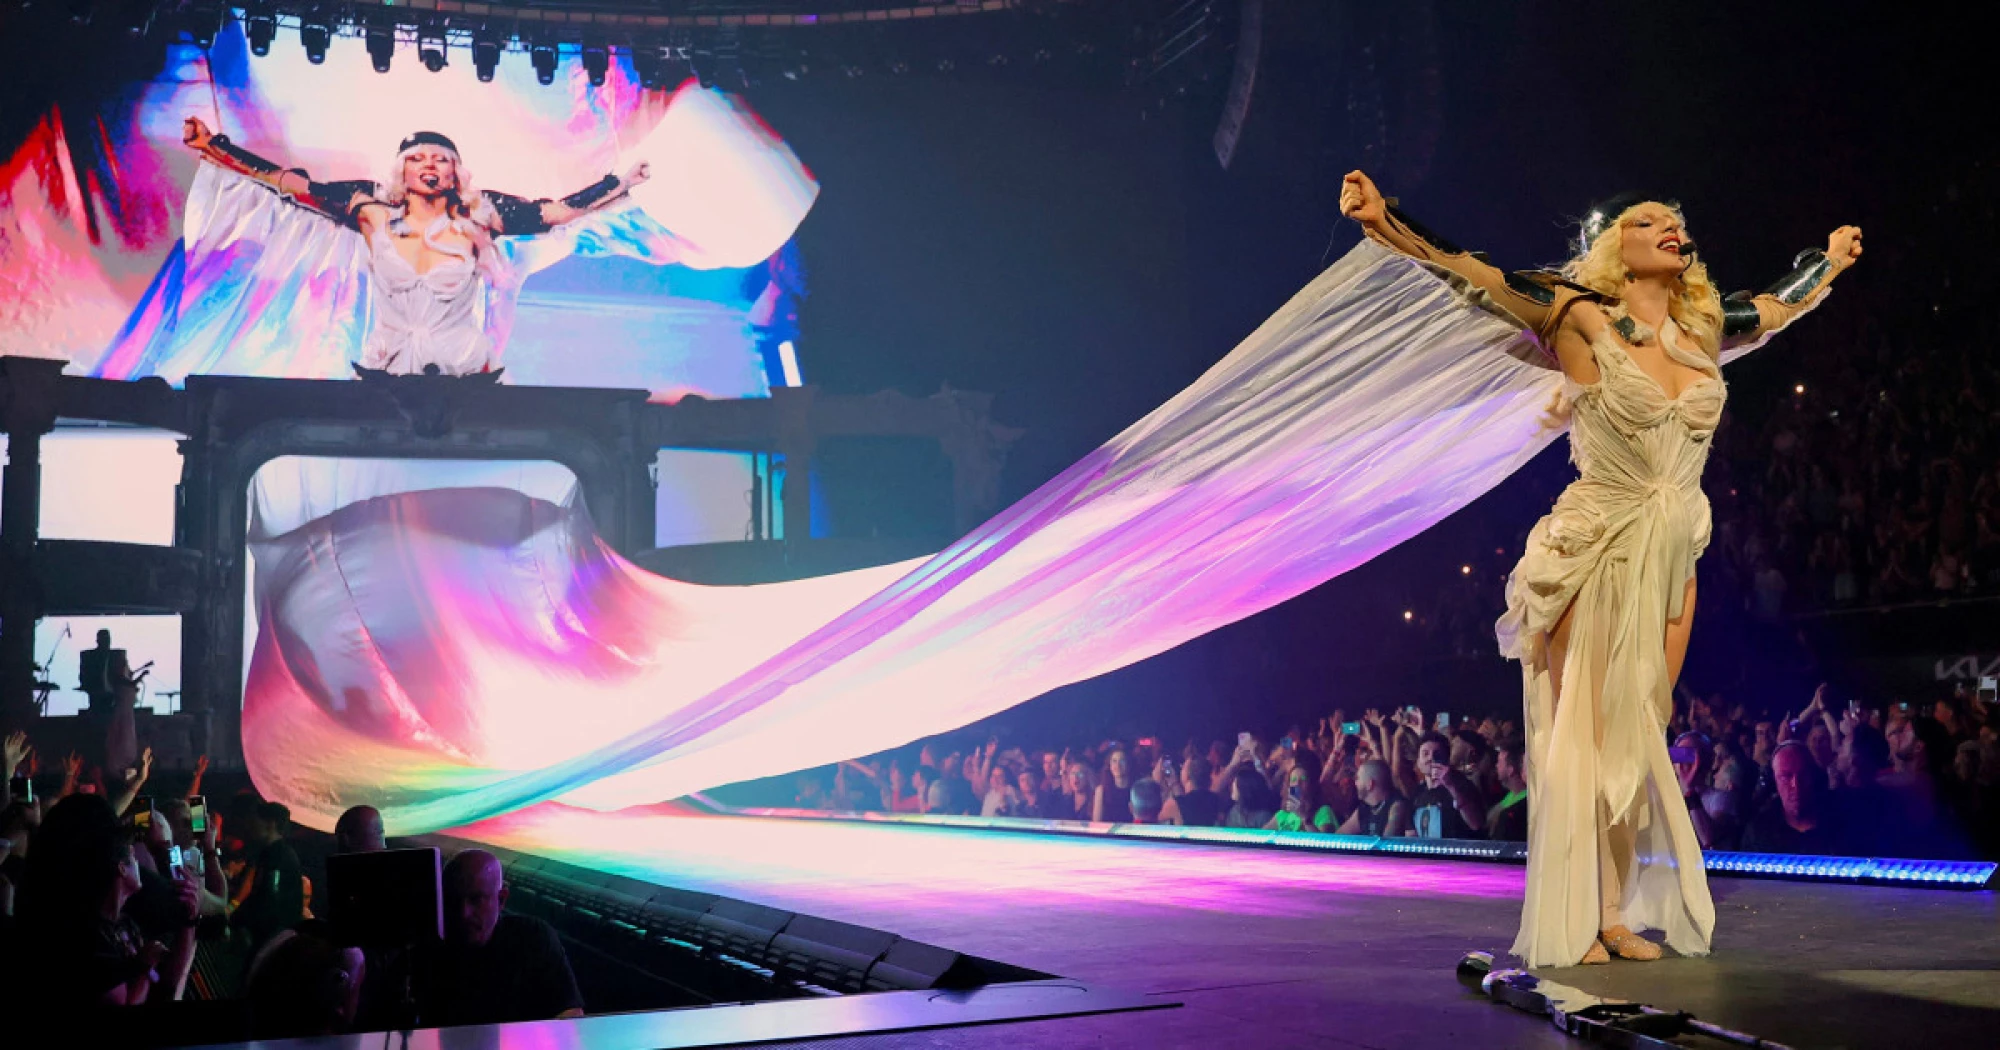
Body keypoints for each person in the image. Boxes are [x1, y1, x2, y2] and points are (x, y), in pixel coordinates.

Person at [1342, 170, 1860, 966]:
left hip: (1673, 553)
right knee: (1581, 740)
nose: (1668, 225)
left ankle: (1614, 915)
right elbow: (1479, 278)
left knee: (1637, 739)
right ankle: (1578, 916)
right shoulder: (1579, 316)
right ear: (1613, 244)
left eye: (1672, 218)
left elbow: (1778, 304)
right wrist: (1390, 223)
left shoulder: (1702, 328)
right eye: (1646, 220)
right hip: (1597, 544)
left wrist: (1826, 261)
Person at [180, 119, 650, 377]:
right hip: (387, 362)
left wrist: (619, 181)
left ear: (454, 172)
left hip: (463, 366)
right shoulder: (370, 211)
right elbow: (293, 186)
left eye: (441, 160)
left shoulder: (481, 215)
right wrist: (216, 147)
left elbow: (556, 212)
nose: (430, 166)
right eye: (419, 158)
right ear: (402, 171)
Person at [415, 849, 583, 1028]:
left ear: (501, 899)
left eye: (476, 900)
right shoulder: (425, 949)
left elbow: (570, 1013)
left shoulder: (534, 940)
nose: (464, 913)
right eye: (453, 900)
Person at [1741, 743, 1842, 854]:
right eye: (1785, 777)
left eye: (1803, 775)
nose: (1795, 785)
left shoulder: (1841, 824)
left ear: (1813, 776)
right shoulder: (1758, 832)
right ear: (1775, 782)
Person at [1409, 732, 1487, 839]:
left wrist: (1450, 785)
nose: (1431, 757)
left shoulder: (1462, 784)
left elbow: (1476, 824)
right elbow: (1412, 834)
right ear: (1418, 762)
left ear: (1446, 759)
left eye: (1437, 753)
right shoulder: (1417, 793)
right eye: (1425, 753)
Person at [1335, 760, 1412, 837]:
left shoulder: (1397, 806)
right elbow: (1338, 836)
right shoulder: (1364, 809)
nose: (1355, 783)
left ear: (1370, 784)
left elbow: (1387, 841)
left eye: (1358, 779)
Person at [1486, 738, 1530, 842]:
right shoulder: (1511, 794)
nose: (1496, 765)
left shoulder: (1523, 804)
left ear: (1510, 770)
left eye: (1499, 762)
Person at [1161, 756, 1225, 827]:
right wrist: (1174, 784)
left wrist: (1162, 786)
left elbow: (1153, 821)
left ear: (1187, 776)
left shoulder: (1173, 805)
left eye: (1183, 767)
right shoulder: (1218, 801)